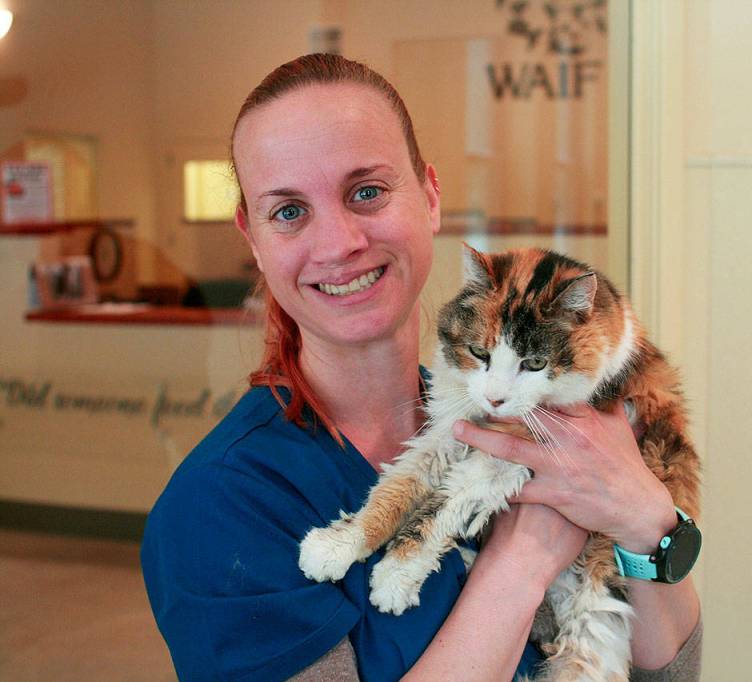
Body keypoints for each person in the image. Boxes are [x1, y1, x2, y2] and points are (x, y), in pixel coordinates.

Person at [141, 53, 702, 682]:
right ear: (253, 237)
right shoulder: (217, 509)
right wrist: (523, 557)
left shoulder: (530, 417)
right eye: (289, 211)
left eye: (367, 192)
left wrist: (647, 519)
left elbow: (673, 676)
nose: (339, 244)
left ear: (430, 197)